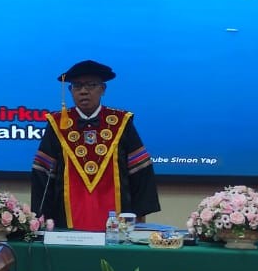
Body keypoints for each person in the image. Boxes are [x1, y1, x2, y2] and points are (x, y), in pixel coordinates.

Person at [30, 60, 160, 231]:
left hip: (118, 222)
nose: (84, 91)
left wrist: (139, 216)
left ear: (103, 89)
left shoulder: (121, 122)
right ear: (70, 91)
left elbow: (140, 171)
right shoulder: (57, 123)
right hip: (66, 221)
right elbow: (43, 174)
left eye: (91, 85)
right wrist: (42, 217)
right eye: (77, 86)